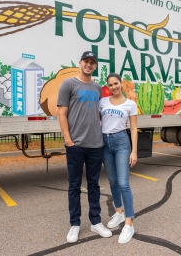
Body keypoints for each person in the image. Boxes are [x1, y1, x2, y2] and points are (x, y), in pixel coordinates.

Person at [57, 51, 112, 243]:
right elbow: (62, 113)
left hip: (96, 144)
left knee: (94, 185)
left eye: (92, 62)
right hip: (76, 145)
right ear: (80, 63)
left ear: (95, 66)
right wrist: (68, 140)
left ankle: (96, 222)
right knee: (74, 186)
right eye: (86, 61)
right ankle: (75, 224)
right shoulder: (69, 84)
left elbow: (99, 113)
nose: (89, 65)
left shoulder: (97, 88)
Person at [99, 73, 138, 244]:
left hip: (122, 142)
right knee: (113, 181)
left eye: (116, 83)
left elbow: (135, 129)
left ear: (121, 84)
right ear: (107, 87)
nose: (114, 87)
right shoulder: (103, 103)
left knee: (123, 183)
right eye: (110, 85)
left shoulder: (130, 104)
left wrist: (134, 151)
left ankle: (129, 223)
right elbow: (99, 122)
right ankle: (119, 212)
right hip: (105, 143)